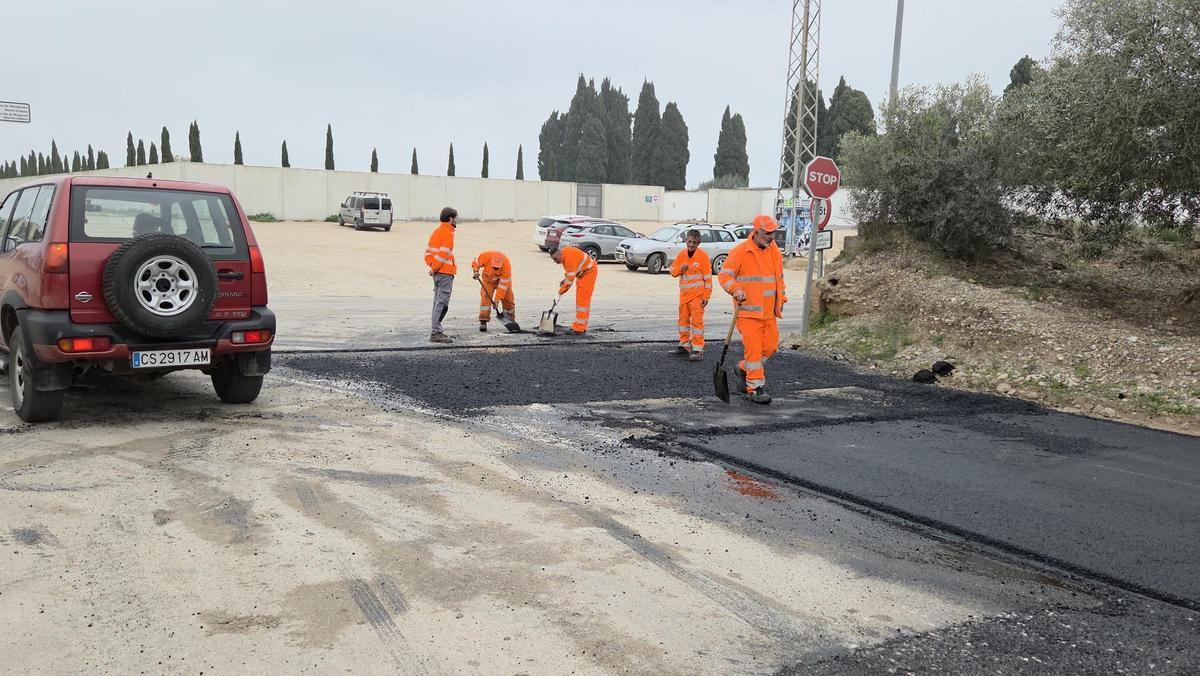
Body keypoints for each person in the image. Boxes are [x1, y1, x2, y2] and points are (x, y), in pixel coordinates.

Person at [718, 214, 787, 404]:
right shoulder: (741, 251)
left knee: (771, 347)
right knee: (754, 352)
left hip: (769, 312)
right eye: (767, 233)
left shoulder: (774, 251)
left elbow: (778, 278)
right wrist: (736, 289)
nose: (771, 237)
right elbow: (724, 276)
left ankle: (742, 368)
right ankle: (755, 388)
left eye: (773, 233)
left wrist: (782, 297)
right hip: (748, 313)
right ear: (755, 232)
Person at [668, 229, 712, 362]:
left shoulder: (703, 256)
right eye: (689, 241)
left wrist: (706, 296)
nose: (691, 244)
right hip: (684, 296)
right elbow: (672, 271)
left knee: (697, 322)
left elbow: (708, 279)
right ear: (686, 241)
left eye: (694, 242)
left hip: (697, 296)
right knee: (683, 322)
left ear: (698, 243)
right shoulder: (682, 254)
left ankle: (698, 348)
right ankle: (684, 345)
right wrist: (679, 269)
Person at [424, 206, 458, 343]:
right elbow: (442, 255)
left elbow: (427, 254)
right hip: (444, 274)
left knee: (437, 302)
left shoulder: (436, 232)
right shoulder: (447, 233)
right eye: (456, 218)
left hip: (438, 274)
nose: (457, 221)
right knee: (442, 303)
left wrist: (432, 267)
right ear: (450, 219)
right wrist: (435, 268)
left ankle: (436, 329)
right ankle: (436, 332)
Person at [549, 245, 597, 334]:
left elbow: (569, 282)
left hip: (589, 273)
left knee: (582, 301)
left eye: (555, 259)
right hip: (583, 274)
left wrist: (559, 294)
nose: (555, 262)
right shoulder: (565, 254)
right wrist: (565, 279)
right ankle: (582, 326)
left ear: (560, 254)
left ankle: (579, 328)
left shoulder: (568, 259)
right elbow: (571, 273)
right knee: (581, 301)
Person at [471, 250, 515, 332]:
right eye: (494, 267)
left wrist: (497, 300)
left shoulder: (506, 265)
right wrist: (476, 271)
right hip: (488, 280)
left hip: (501, 281)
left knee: (508, 300)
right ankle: (483, 320)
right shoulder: (486, 256)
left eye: (497, 268)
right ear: (491, 261)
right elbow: (475, 261)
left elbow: (503, 286)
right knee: (485, 298)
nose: (495, 269)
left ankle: (510, 320)